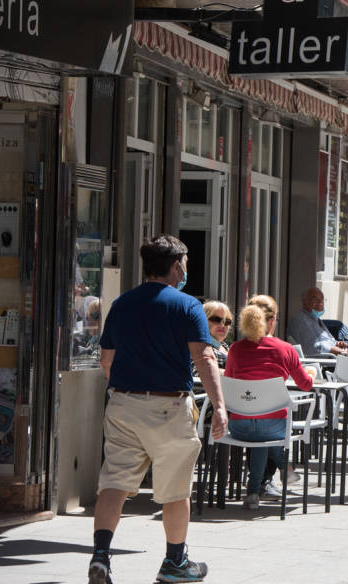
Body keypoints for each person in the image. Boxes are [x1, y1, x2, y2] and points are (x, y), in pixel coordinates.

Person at [90, 234, 226, 584]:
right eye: (185, 263)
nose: (186, 270)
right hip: (168, 406)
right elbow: (205, 357)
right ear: (176, 265)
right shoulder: (188, 306)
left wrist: (127, 389)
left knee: (114, 483)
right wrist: (220, 407)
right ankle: (174, 563)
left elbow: (107, 360)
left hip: (122, 402)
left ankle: (101, 557)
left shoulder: (122, 303)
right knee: (176, 489)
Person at [225, 295, 313, 510]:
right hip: (273, 427)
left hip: (239, 426)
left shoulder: (235, 349)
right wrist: (310, 372)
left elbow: (229, 381)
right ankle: (286, 467)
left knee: (259, 438)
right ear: (272, 320)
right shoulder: (285, 349)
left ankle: (253, 493)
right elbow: (305, 385)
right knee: (266, 432)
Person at [287, 287, 348, 356]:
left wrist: (336, 344)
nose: (320, 302)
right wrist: (333, 350)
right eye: (315, 299)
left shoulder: (316, 319)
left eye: (322, 299)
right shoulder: (300, 320)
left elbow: (324, 341)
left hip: (333, 359)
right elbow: (311, 347)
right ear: (304, 302)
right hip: (321, 363)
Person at [201, 300, 233, 370]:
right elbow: (199, 372)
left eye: (227, 321)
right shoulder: (199, 347)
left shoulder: (225, 346)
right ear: (202, 321)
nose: (222, 325)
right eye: (216, 320)